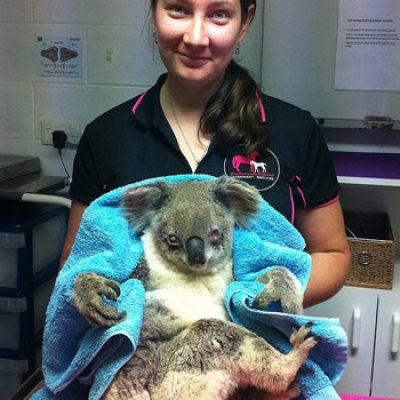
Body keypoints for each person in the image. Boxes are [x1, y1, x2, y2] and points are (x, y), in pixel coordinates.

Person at [59, 0, 350, 397]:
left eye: (219, 14)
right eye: (178, 9)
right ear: (154, 11)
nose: (196, 37)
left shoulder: (293, 130)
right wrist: (87, 288)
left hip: (254, 377)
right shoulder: (107, 136)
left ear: (244, 21)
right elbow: (80, 260)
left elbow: (333, 254)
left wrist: (272, 289)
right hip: (144, 360)